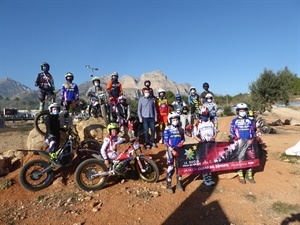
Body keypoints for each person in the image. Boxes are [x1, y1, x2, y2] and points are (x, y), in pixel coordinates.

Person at [230, 103, 256, 184]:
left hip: (249, 142)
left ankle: (249, 174)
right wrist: (235, 138)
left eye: (244, 110)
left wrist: (254, 139)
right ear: (237, 111)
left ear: (246, 111)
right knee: (240, 158)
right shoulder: (234, 121)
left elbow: (253, 131)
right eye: (240, 110)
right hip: (239, 142)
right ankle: (240, 175)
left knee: (250, 157)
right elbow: (232, 132)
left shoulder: (250, 120)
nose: (242, 112)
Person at [194, 109, 217, 186]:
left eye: (206, 115)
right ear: (200, 116)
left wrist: (214, 137)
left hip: (211, 143)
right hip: (203, 144)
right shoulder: (198, 124)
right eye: (203, 115)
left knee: (210, 160)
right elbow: (194, 135)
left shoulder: (211, 122)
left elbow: (215, 132)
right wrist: (200, 140)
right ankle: (205, 178)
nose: (205, 117)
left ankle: (209, 177)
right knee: (204, 161)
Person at [163, 112, 185, 194]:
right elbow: (165, 141)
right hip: (170, 150)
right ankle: (169, 185)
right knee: (171, 167)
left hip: (179, 149)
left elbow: (183, 138)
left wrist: (182, 142)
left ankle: (179, 184)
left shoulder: (181, 129)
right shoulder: (167, 128)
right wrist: (172, 150)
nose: (175, 121)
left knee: (179, 167)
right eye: (174, 119)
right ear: (170, 120)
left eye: (177, 119)